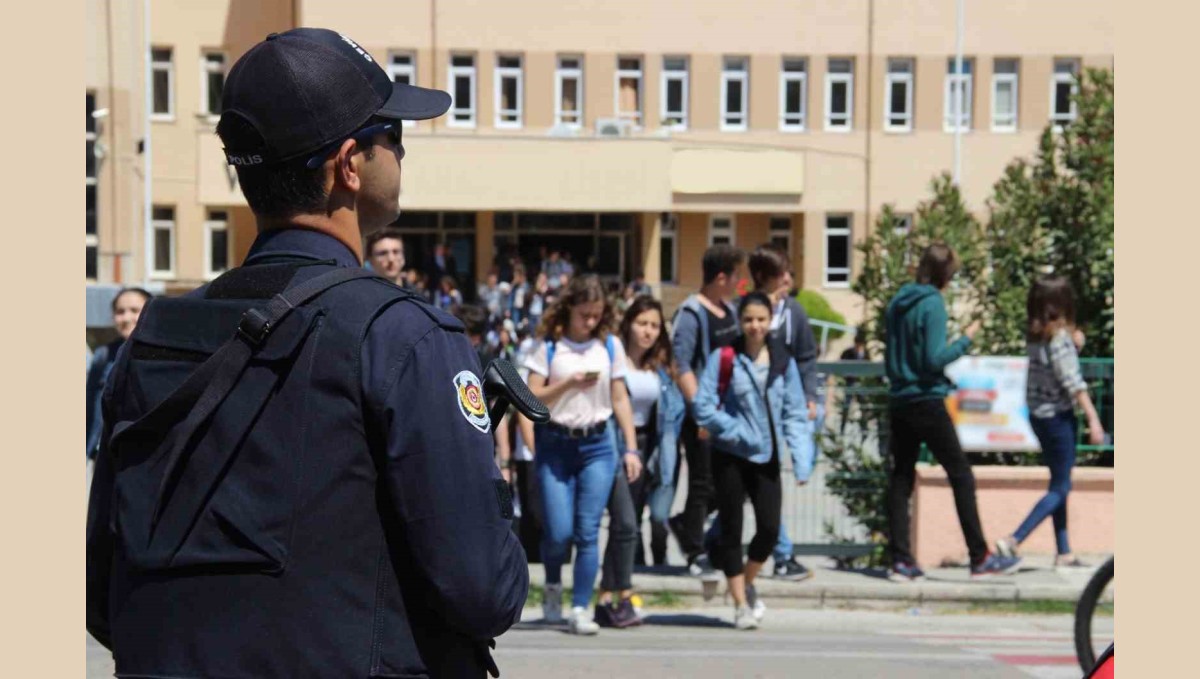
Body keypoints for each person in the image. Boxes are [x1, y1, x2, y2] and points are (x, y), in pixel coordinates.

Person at [85, 28, 526, 679]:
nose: (401, 154)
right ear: (349, 164)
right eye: (393, 137)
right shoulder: (404, 335)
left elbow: (102, 594)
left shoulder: (154, 335)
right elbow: (482, 588)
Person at [883, 242, 1021, 581]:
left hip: (900, 398)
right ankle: (979, 556)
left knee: (901, 479)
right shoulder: (932, 304)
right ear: (945, 274)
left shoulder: (898, 303)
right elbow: (933, 358)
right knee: (961, 474)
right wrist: (966, 340)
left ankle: (900, 559)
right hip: (926, 399)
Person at [524, 274, 640, 635]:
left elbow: (620, 398)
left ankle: (580, 607)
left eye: (596, 315)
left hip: (599, 445)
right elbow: (530, 398)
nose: (590, 321)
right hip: (555, 444)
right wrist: (570, 383)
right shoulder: (548, 346)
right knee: (558, 532)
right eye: (584, 315)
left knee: (588, 531)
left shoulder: (609, 347)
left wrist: (631, 447)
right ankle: (554, 586)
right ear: (569, 309)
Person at [693, 292, 814, 630]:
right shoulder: (725, 357)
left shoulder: (782, 361)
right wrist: (736, 430)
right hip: (730, 455)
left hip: (767, 457)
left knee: (769, 529)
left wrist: (802, 460)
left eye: (761, 319)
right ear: (740, 321)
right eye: (748, 319)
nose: (755, 326)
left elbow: (793, 411)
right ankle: (740, 604)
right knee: (731, 529)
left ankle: (746, 581)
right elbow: (703, 406)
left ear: (771, 319)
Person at [995, 277, 1106, 568]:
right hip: (1058, 418)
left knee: (1059, 481)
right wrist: (1094, 420)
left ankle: (1064, 551)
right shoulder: (1059, 341)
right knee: (1061, 488)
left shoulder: (1035, 336)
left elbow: (1054, 368)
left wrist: (1074, 344)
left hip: (1038, 415)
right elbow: (1073, 382)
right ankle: (1014, 539)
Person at [595, 295, 686, 627]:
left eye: (654, 325)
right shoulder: (612, 356)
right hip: (616, 443)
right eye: (642, 323)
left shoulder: (660, 364)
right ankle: (620, 593)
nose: (648, 332)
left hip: (649, 446)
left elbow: (672, 410)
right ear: (629, 324)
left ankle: (608, 597)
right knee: (625, 524)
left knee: (628, 524)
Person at [668, 244, 746, 580]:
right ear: (720, 277)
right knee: (701, 482)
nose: (740, 282)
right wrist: (701, 411)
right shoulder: (691, 314)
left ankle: (686, 524)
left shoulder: (727, 309)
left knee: (731, 483)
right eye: (735, 276)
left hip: (728, 414)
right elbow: (680, 364)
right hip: (702, 414)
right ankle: (695, 551)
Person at [746, 245, 821, 581]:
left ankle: (778, 552)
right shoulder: (747, 312)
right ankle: (781, 554)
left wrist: (809, 395)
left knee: (765, 483)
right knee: (758, 484)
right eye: (781, 274)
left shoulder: (795, 313)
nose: (788, 279)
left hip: (780, 411)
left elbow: (806, 356)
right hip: (748, 411)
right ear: (763, 277)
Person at [86, 287, 152, 461]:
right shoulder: (103, 355)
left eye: (135, 310)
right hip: (104, 454)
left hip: (146, 455)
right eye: (120, 312)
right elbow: (90, 406)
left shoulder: (164, 354)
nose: (126, 318)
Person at [839, 328, 870, 433]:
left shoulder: (865, 353)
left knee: (863, 406)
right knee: (846, 405)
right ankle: (842, 428)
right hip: (850, 381)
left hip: (861, 383)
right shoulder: (848, 353)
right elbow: (841, 365)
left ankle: (864, 427)